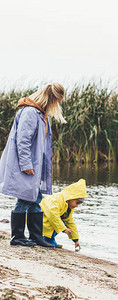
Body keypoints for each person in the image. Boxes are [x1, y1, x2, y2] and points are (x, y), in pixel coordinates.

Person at [0, 83, 66, 247]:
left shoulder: (41, 114)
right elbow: (23, 141)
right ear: (51, 98)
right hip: (26, 164)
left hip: (35, 164)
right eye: (57, 101)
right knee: (24, 198)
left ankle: (36, 236)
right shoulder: (30, 112)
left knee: (36, 199)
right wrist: (26, 164)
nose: (57, 105)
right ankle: (17, 237)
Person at [40, 179, 87, 251]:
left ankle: (47, 239)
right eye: (77, 203)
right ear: (71, 198)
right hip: (39, 219)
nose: (77, 206)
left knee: (64, 221)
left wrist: (75, 240)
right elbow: (53, 216)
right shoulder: (56, 200)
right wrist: (63, 229)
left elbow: (70, 222)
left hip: (46, 220)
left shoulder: (67, 206)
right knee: (60, 222)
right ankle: (47, 239)